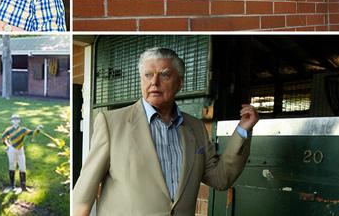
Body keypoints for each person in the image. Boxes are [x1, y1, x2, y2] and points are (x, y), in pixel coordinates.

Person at [73, 47, 259, 216]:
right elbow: (84, 194)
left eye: (164, 75)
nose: (154, 82)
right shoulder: (111, 123)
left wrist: (242, 131)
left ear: (179, 83)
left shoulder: (195, 128)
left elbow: (220, 179)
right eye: (147, 75)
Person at [1, 113, 42, 194]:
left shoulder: (23, 129)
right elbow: (3, 138)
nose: (15, 121)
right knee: (12, 165)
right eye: (14, 119)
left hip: (20, 149)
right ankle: (12, 185)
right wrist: (8, 145)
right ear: (11, 121)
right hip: (12, 149)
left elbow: (32, 133)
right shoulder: (8, 130)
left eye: (17, 119)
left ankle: (23, 186)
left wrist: (37, 129)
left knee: (22, 166)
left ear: (19, 120)